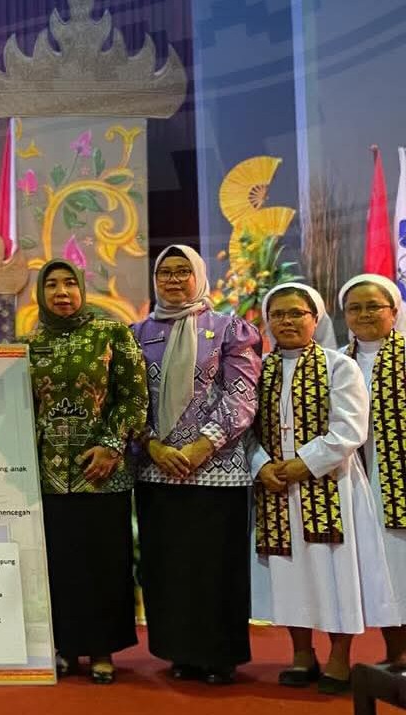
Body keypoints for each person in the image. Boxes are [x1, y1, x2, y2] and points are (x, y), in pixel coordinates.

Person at [251, 282, 398, 695]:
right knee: (289, 572)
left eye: (296, 313)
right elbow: (246, 429)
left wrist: (304, 463)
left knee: (336, 572)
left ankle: (339, 657)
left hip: (332, 484)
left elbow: (350, 428)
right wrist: (262, 466)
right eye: (278, 314)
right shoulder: (258, 369)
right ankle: (301, 654)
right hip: (277, 487)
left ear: (315, 319)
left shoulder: (339, 366)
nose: (286, 321)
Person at [131, 246, 261, 685]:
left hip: (216, 471)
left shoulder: (229, 329)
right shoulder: (137, 333)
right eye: (164, 272)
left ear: (199, 275)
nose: (172, 279)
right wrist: (153, 446)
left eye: (182, 271)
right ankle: (180, 652)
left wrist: (202, 446)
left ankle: (218, 656)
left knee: (214, 566)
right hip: (158, 470)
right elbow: (130, 398)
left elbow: (242, 394)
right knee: (169, 567)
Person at [23, 259, 147, 684]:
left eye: (69, 284)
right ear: (41, 294)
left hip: (102, 472)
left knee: (103, 561)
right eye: (52, 285)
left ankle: (101, 648)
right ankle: (65, 647)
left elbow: (134, 396)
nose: (61, 292)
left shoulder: (111, 334)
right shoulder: (31, 343)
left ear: (81, 289)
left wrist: (111, 446)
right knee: (59, 563)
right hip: (49, 474)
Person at [338, 273, 406, 667]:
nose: (364, 314)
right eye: (355, 308)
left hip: (397, 474)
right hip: (353, 475)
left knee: (400, 560)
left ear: (393, 312)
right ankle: (392, 652)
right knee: (376, 566)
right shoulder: (335, 361)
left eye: (373, 307)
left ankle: (399, 654)